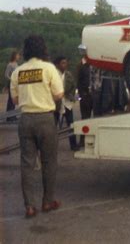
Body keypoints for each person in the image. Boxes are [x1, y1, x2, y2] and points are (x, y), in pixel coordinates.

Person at [10, 35, 64, 218]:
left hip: (25, 120)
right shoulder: (49, 68)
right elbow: (58, 95)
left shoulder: (18, 71)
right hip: (45, 119)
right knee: (49, 162)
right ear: (43, 49)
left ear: (26, 50)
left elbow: (15, 100)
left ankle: (30, 206)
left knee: (27, 164)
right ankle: (47, 201)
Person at [53, 56, 79, 151]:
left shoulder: (68, 75)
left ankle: (73, 145)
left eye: (66, 62)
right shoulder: (53, 75)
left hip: (67, 103)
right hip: (56, 104)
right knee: (53, 126)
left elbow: (73, 86)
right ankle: (51, 145)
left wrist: (71, 97)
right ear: (57, 64)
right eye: (63, 63)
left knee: (71, 125)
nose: (65, 64)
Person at [76, 55, 92, 147]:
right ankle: (82, 141)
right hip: (85, 95)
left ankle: (88, 140)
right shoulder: (82, 67)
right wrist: (80, 97)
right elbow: (78, 83)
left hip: (93, 95)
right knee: (85, 118)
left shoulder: (94, 67)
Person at [4, 50, 20, 121]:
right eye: (17, 55)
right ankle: (9, 116)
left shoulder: (16, 64)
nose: (18, 57)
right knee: (11, 100)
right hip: (12, 83)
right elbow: (6, 75)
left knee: (13, 99)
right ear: (14, 56)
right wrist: (12, 79)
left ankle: (11, 115)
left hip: (16, 83)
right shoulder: (10, 64)